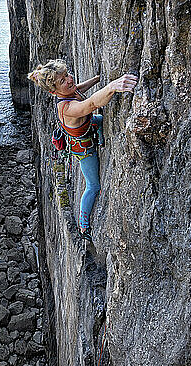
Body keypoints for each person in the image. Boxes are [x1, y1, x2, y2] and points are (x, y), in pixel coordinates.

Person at [28, 59, 138, 242]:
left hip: (87, 126)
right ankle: (83, 225)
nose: (69, 80)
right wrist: (112, 86)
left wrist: (97, 79)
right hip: (83, 148)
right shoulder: (66, 108)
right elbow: (91, 104)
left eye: (67, 75)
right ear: (54, 91)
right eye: (63, 81)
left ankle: (100, 136)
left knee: (99, 120)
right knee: (93, 186)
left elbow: (79, 88)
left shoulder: (68, 91)